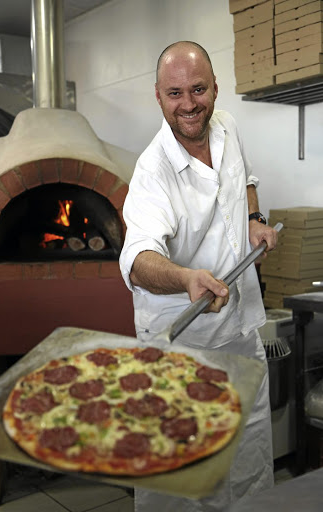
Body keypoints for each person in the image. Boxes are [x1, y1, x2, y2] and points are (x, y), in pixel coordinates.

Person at [119, 41, 278, 512]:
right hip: (181, 340)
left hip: (239, 328)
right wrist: (186, 277)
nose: (189, 104)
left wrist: (253, 220)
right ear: (157, 96)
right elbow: (138, 259)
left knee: (248, 454)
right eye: (175, 93)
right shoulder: (152, 172)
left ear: (215, 87)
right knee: (182, 475)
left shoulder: (225, 124)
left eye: (198, 89)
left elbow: (245, 178)